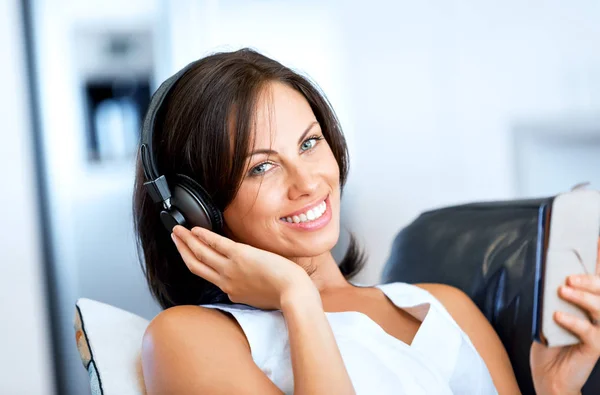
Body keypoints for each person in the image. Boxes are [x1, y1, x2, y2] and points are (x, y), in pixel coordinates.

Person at [132, 48, 600, 395]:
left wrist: (555, 390)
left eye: (309, 143)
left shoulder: (445, 308)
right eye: (261, 166)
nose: (308, 182)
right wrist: (297, 298)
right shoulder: (188, 338)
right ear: (196, 209)